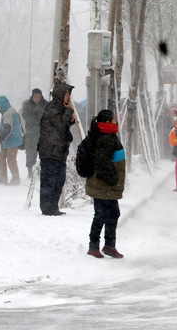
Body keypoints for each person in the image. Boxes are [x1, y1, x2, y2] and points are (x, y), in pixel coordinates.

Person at [84, 110, 126, 259]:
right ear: (108, 122)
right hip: (103, 184)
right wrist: (113, 181)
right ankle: (94, 246)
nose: (116, 122)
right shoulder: (106, 138)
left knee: (112, 214)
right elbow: (103, 164)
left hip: (105, 184)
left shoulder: (108, 135)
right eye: (114, 119)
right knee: (101, 215)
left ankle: (109, 245)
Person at [37, 82, 75, 216]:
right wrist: (69, 111)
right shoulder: (52, 107)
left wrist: (70, 118)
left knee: (59, 180)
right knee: (49, 181)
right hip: (50, 151)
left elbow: (63, 126)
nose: (68, 96)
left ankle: (53, 207)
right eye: (65, 94)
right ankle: (47, 208)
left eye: (68, 94)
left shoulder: (61, 108)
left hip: (59, 152)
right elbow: (59, 125)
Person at [0, 96, 23, 185]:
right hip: (8, 141)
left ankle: (15, 180)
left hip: (12, 141)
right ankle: (2, 178)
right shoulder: (9, 111)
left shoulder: (8, 113)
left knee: (11, 160)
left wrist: (0, 139)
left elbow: (8, 128)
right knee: (1, 158)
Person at [21, 88, 47, 179]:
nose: (37, 99)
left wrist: (37, 118)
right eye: (35, 97)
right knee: (30, 154)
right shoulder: (28, 104)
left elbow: (47, 117)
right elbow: (26, 116)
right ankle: (30, 172)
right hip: (31, 135)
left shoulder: (45, 104)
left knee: (43, 155)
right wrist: (38, 119)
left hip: (43, 134)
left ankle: (41, 172)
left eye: (38, 97)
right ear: (32, 97)